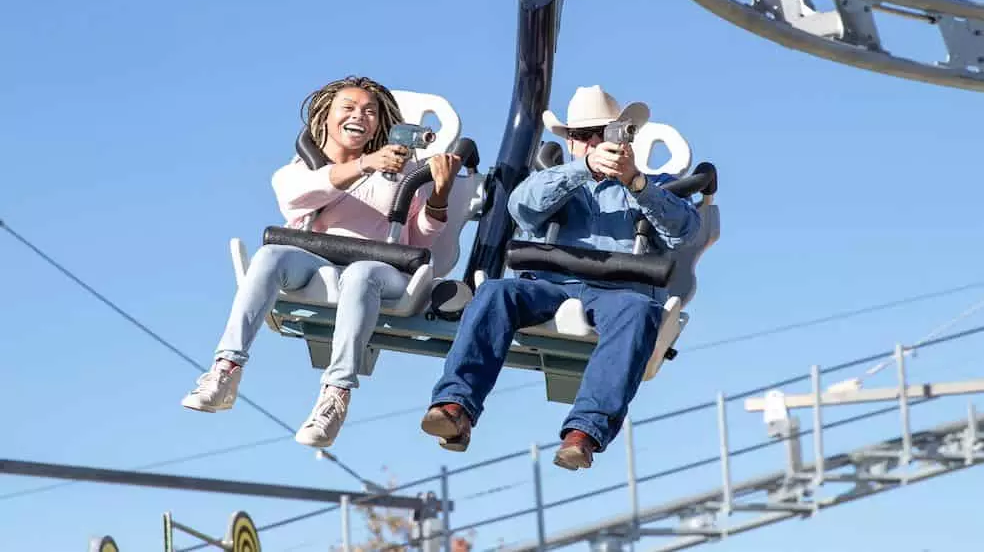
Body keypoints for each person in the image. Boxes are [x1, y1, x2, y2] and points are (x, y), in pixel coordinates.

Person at [420, 85, 701, 470]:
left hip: (618, 291)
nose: (592, 143)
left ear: (624, 137)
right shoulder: (555, 177)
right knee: (495, 293)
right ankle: (455, 407)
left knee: (638, 310)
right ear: (570, 142)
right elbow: (522, 206)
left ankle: (583, 433)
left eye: (601, 134)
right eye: (581, 136)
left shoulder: (657, 182)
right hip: (548, 285)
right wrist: (583, 170)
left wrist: (636, 183)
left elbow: (683, 230)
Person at [182, 75, 462, 449]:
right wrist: (365, 164)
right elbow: (296, 196)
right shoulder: (301, 169)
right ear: (325, 117)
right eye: (348, 107)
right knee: (269, 255)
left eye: (369, 111)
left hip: (382, 270)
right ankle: (225, 371)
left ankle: (335, 395)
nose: (359, 115)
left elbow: (420, 238)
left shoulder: (401, 176)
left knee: (361, 274)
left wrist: (440, 195)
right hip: (315, 263)